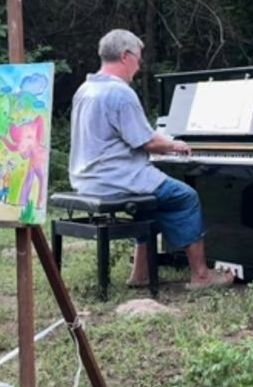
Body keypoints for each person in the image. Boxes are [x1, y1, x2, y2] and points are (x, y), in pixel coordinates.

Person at [69, 29, 234, 291]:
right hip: (117, 179)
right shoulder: (120, 93)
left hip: (88, 179)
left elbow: (128, 134)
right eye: (138, 57)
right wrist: (174, 144)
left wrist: (160, 142)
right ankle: (201, 276)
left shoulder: (86, 89)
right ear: (125, 56)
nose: (139, 64)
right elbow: (148, 142)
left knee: (150, 204)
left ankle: (140, 273)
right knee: (185, 197)